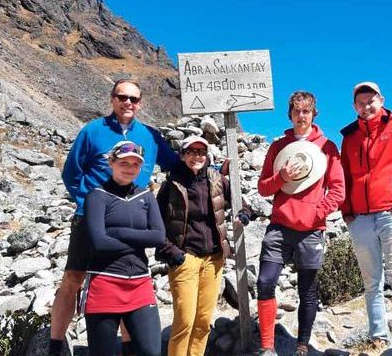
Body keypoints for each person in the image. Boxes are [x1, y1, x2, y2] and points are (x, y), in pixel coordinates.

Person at [51, 79, 179, 356]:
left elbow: (175, 164)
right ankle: (55, 344)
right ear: (112, 99)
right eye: (122, 97)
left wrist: (215, 166)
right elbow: (71, 173)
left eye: (134, 98)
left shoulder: (149, 135)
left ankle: (128, 344)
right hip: (91, 218)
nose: (128, 103)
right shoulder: (93, 131)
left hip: (132, 218)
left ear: (140, 103)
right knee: (74, 277)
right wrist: (91, 203)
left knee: (127, 275)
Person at [256, 91, 345, 356]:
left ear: (313, 114)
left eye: (306, 111)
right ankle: (267, 346)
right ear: (290, 114)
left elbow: (338, 190)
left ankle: (302, 345)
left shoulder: (327, 147)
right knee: (264, 282)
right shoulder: (278, 147)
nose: (301, 116)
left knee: (307, 290)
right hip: (280, 226)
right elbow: (263, 188)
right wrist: (280, 177)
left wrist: (318, 213)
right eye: (297, 111)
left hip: (311, 230)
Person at [339, 82, 392, 354]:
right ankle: (378, 337)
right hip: (360, 218)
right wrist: (347, 211)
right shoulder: (350, 137)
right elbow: (345, 176)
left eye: (371, 99)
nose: (367, 105)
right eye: (361, 101)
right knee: (371, 281)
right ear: (354, 106)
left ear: (381, 100)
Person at [155, 135, 253, 356]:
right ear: (182, 155)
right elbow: (155, 225)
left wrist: (244, 214)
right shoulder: (171, 185)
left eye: (201, 152)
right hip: (185, 259)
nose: (196, 156)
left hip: (214, 259)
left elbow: (241, 203)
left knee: (203, 321)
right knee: (185, 322)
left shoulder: (216, 179)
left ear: (206, 155)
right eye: (191, 152)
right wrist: (174, 254)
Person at [81, 141, 166, 356]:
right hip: (104, 282)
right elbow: (98, 243)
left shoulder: (145, 196)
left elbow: (158, 236)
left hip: (140, 282)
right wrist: (139, 241)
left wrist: (118, 232)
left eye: (135, 164)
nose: (129, 168)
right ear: (111, 162)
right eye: (124, 162)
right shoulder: (97, 196)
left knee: (151, 351)